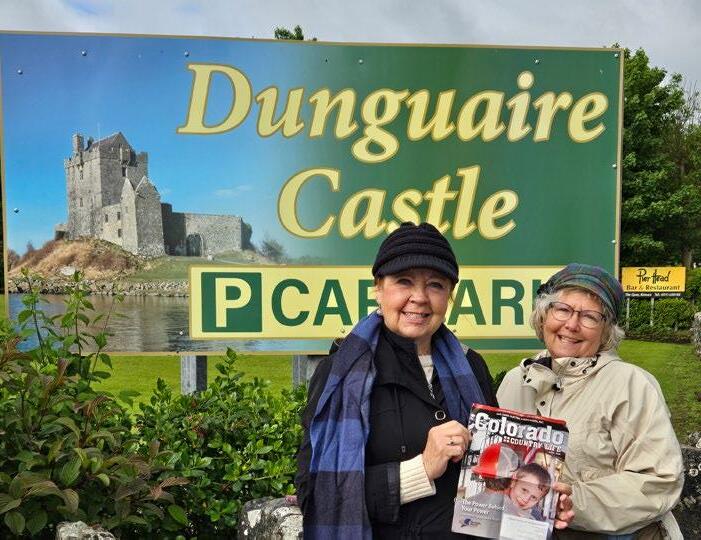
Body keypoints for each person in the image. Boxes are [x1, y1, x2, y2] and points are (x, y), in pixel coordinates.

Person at [295, 222, 573, 539]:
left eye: (435, 285)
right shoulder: (341, 373)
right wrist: (422, 469)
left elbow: (492, 483)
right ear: (378, 288)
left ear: (449, 296)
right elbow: (316, 497)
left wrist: (541, 504)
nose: (419, 297)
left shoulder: (471, 366)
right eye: (403, 281)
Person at [497, 263, 684, 540]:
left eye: (589, 317)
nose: (571, 325)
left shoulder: (630, 384)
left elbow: (658, 482)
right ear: (544, 316)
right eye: (562, 309)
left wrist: (574, 502)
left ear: (606, 331)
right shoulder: (516, 380)